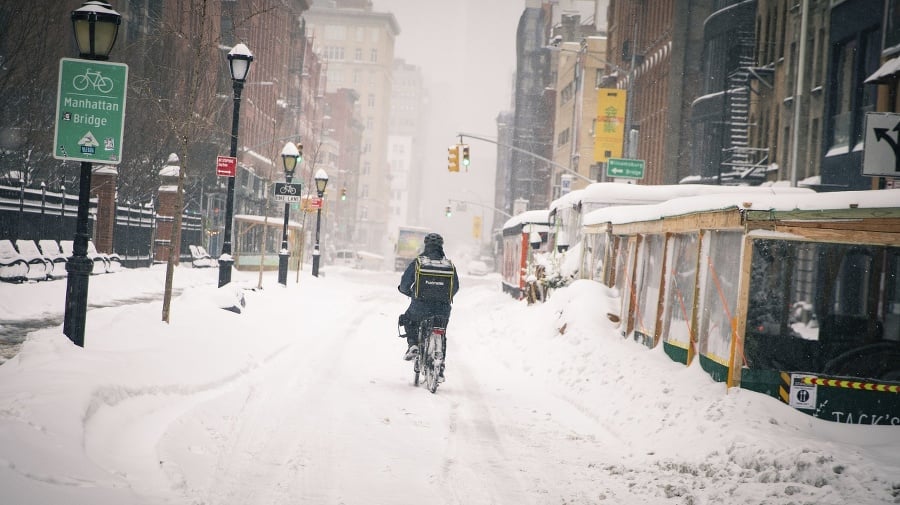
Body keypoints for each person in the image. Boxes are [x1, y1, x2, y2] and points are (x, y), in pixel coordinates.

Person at [397, 232, 460, 380]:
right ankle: (441, 366)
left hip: (420, 306)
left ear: (426, 245)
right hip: (442, 309)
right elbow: (455, 287)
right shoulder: (448, 265)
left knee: (407, 319)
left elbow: (406, 283)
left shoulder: (419, 262)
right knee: (441, 333)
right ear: (441, 247)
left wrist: (406, 291)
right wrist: (443, 299)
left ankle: (413, 346)